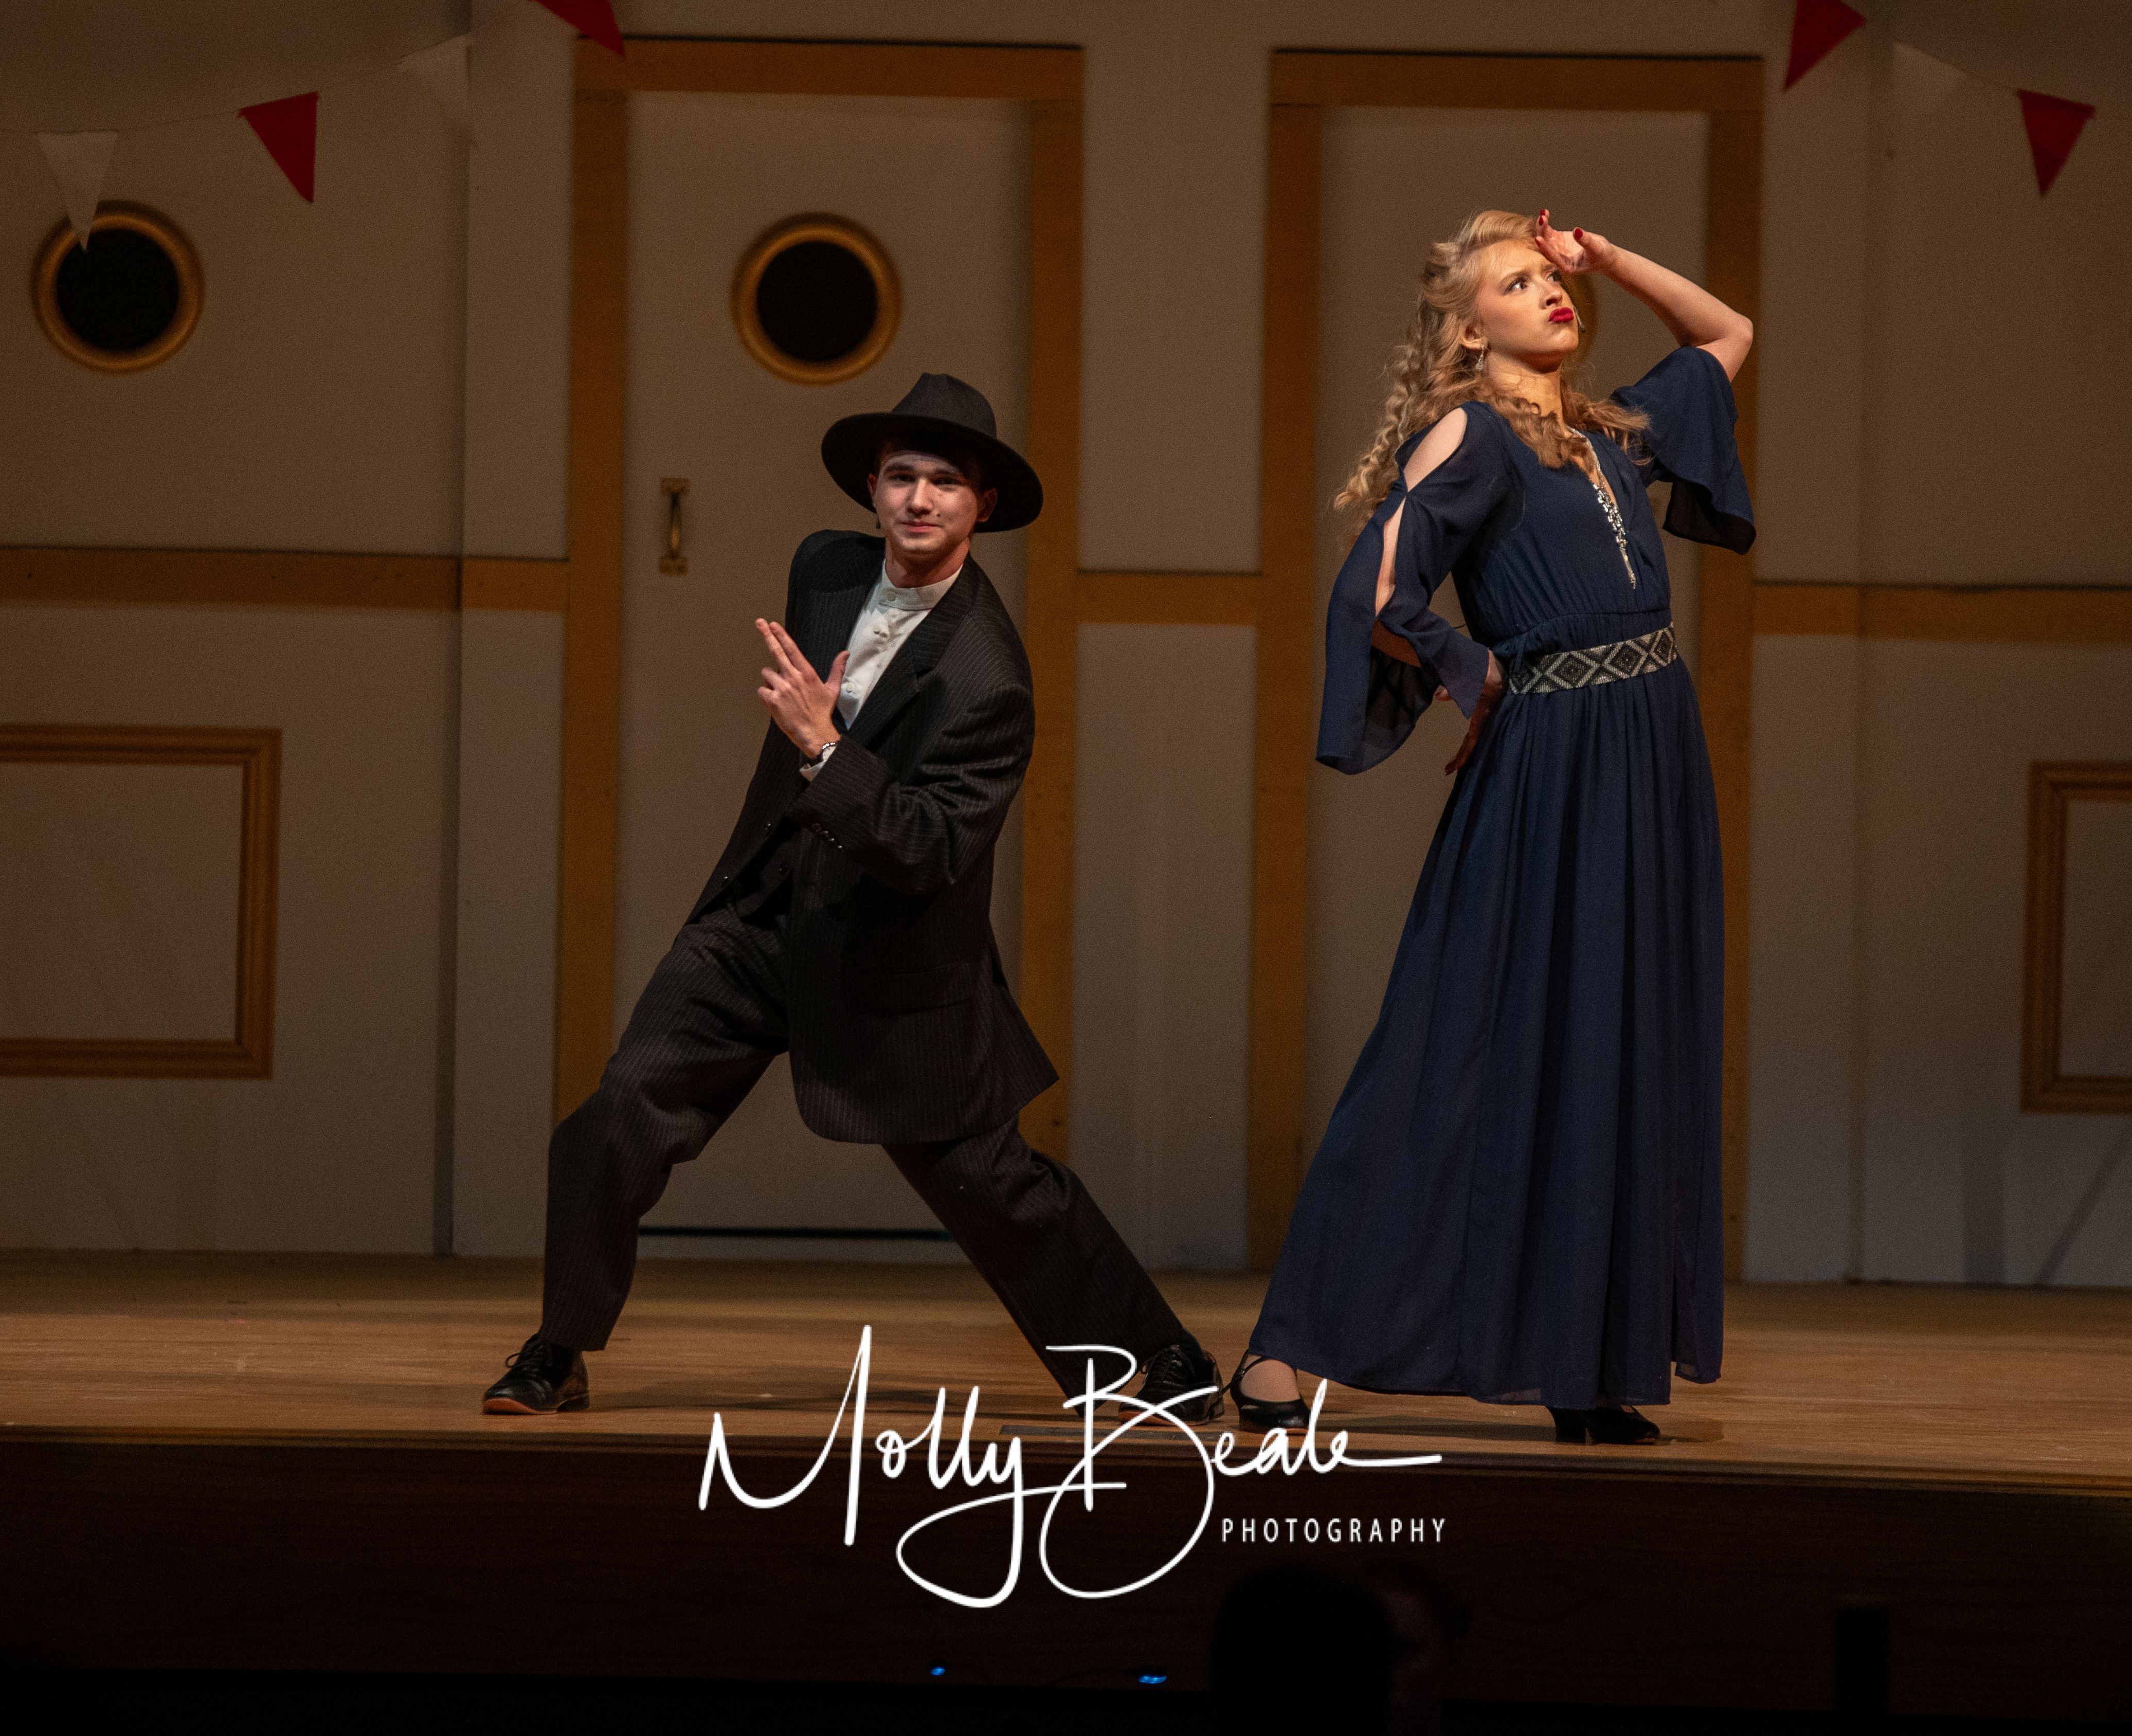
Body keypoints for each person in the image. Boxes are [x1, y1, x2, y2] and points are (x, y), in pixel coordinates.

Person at [483, 372, 1223, 1420]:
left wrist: (826, 748)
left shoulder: (989, 677)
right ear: (872, 488)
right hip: (759, 917)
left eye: (946, 482)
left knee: (990, 1183)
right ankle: (557, 1349)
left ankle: (1160, 1354)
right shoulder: (824, 569)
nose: (920, 499)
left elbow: (929, 849)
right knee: (617, 1115)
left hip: (894, 954)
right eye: (902, 476)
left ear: (983, 507)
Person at [1231, 208, 1753, 1445]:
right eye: (1516, 283)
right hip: (1553, 766)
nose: (1549, 294)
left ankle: (1585, 1361)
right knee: (1454, 1043)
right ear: (1469, 329)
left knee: (1616, 1046)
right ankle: (1284, 1351)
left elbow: (1728, 332)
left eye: (1548, 279)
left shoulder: (1609, 432)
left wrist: (1608, 258)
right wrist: (1474, 670)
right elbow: (1375, 588)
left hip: (1649, 755)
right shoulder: (1469, 431)